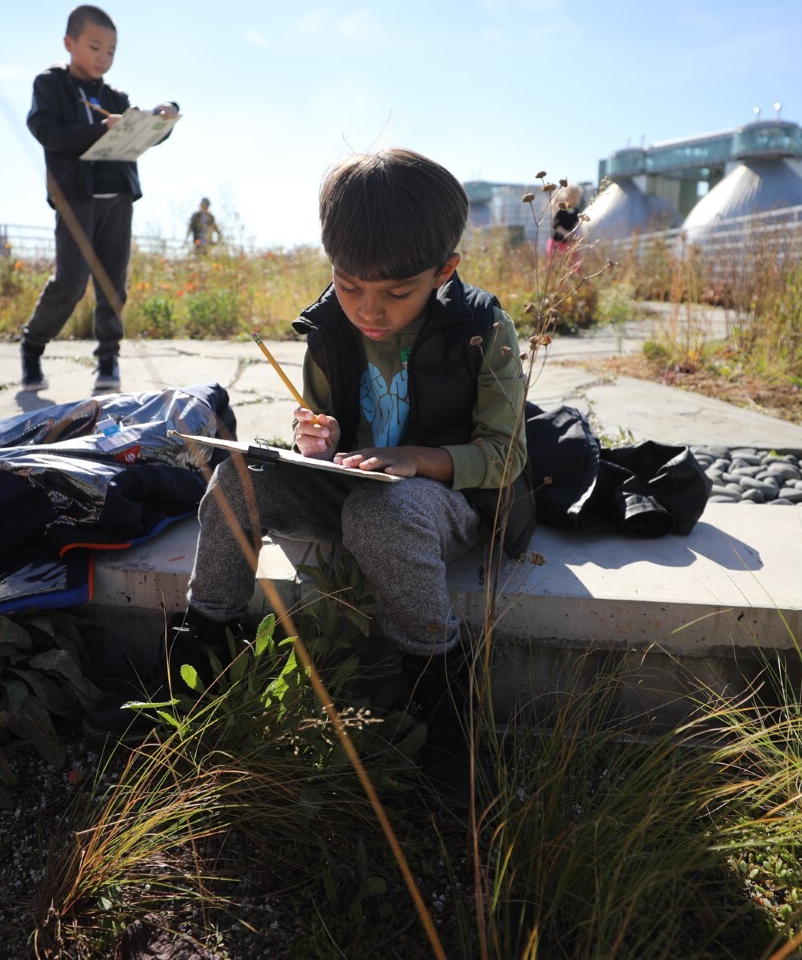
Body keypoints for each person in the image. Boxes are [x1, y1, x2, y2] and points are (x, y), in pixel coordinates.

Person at [166, 148, 535, 776]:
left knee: (381, 515)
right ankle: (197, 676)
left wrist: (416, 458)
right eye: (349, 285)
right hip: (351, 486)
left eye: (397, 292)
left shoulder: (482, 328)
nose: (369, 310)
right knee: (235, 480)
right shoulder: (330, 325)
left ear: (444, 271)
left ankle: (441, 712)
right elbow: (316, 418)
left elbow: (506, 456)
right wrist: (317, 438)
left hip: (441, 503)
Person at [19, 4, 180, 394]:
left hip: (118, 197)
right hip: (75, 197)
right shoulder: (50, 84)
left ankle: (108, 357)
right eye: (95, 47)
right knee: (70, 283)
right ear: (69, 43)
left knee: (113, 283)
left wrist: (166, 116)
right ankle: (33, 345)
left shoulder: (115, 95)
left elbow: (143, 134)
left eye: (111, 52)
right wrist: (97, 129)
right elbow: (46, 131)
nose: (103, 58)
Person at [547, 184, 583, 269]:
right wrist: (566, 233)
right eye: (573, 197)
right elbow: (555, 225)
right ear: (567, 197)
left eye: (578, 198)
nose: (576, 200)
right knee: (557, 266)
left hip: (571, 244)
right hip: (559, 243)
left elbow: (577, 224)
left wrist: (579, 235)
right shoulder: (563, 209)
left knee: (574, 266)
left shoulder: (576, 210)